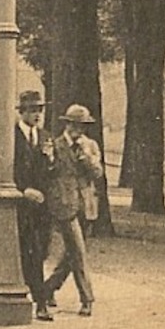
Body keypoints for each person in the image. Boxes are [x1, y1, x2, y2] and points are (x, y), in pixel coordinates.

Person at [46, 104, 104, 316]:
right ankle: (87, 298)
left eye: (83, 126)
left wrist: (86, 158)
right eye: (76, 125)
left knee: (71, 254)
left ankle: (47, 289)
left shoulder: (90, 145)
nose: (79, 130)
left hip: (87, 205)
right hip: (64, 205)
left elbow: (98, 173)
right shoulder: (55, 144)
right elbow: (49, 172)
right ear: (68, 124)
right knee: (78, 252)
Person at [14, 90, 55, 321]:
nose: (36, 114)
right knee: (30, 250)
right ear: (22, 112)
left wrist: (50, 161)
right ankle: (40, 303)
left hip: (42, 206)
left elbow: (51, 171)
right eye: (31, 110)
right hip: (21, 205)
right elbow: (3, 170)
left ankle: (33, 290)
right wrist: (23, 190)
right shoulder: (11, 137)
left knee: (41, 251)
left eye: (39, 110)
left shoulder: (46, 136)